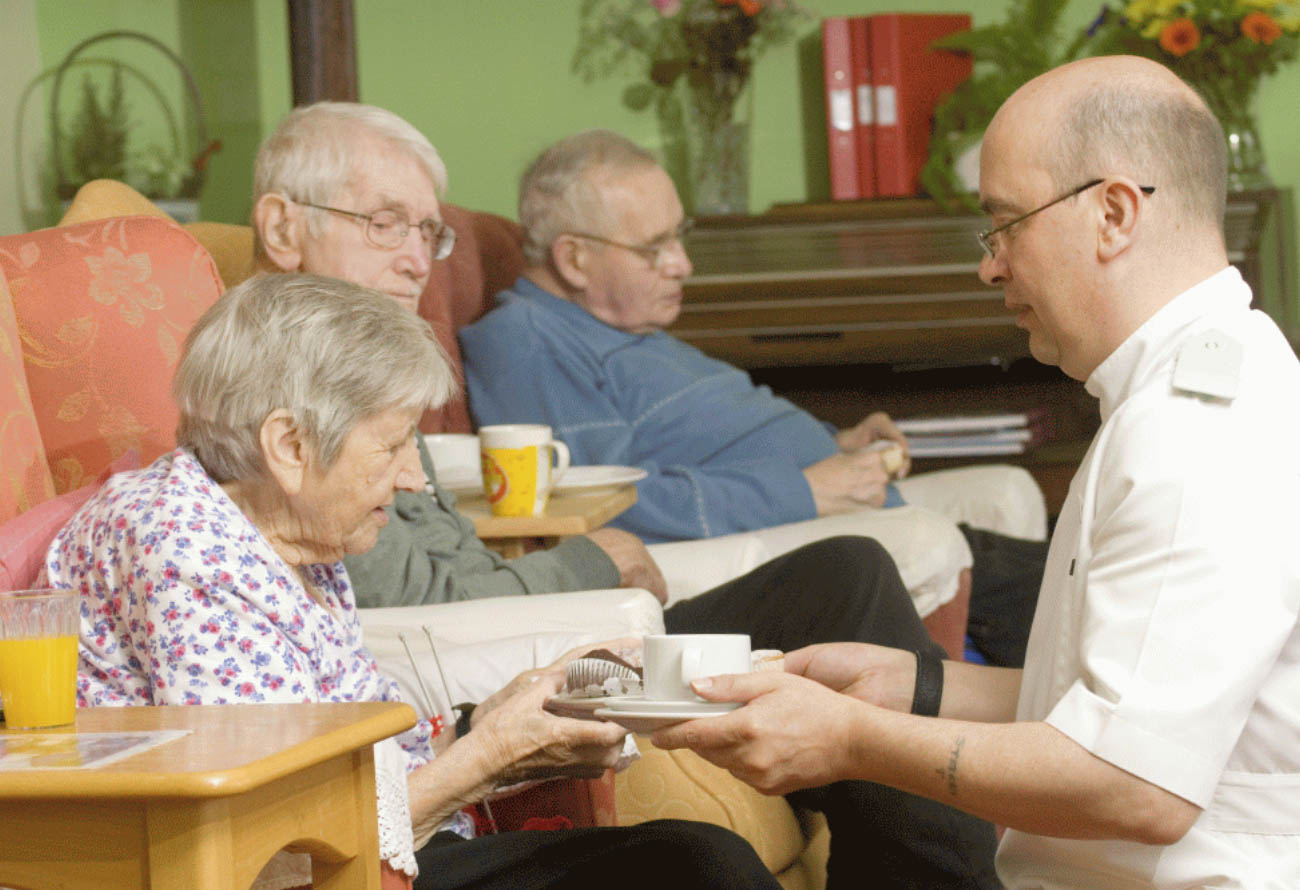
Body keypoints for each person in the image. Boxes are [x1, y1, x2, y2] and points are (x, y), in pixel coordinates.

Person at [248, 101, 1002, 889]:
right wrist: (590, 560)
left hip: (533, 647)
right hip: (506, 669)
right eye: (383, 225)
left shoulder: (365, 358)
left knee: (846, 572)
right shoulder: (279, 374)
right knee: (706, 851)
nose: (415, 260)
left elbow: (443, 560)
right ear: (282, 227)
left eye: (425, 234)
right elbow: (412, 592)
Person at [649, 56, 1300, 889]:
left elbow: (1137, 784)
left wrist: (852, 741)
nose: (990, 266)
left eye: (1007, 224)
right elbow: (1141, 703)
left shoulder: (1191, 433)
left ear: (1113, 213)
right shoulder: (1190, 387)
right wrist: (915, 686)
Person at [45, 273, 785, 890]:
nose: (410, 479)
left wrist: (496, 718)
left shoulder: (286, 529)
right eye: (395, 445)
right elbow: (277, 856)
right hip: (326, 873)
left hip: (388, 850)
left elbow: (344, 762)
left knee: (688, 859)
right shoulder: (185, 552)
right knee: (694, 867)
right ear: (289, 444)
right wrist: (491, 756)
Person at [459, 128, 1049, 667]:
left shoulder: (621, 323)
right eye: (654, 248)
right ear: (573, 258)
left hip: (795, 503)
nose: (682, 265)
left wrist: (831, 442)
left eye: (679, 237)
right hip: (720, 541)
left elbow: (702, 435)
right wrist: (802, 489)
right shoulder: (527, 341)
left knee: (1008, 491)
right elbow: (601, 500)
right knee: (994, 564)